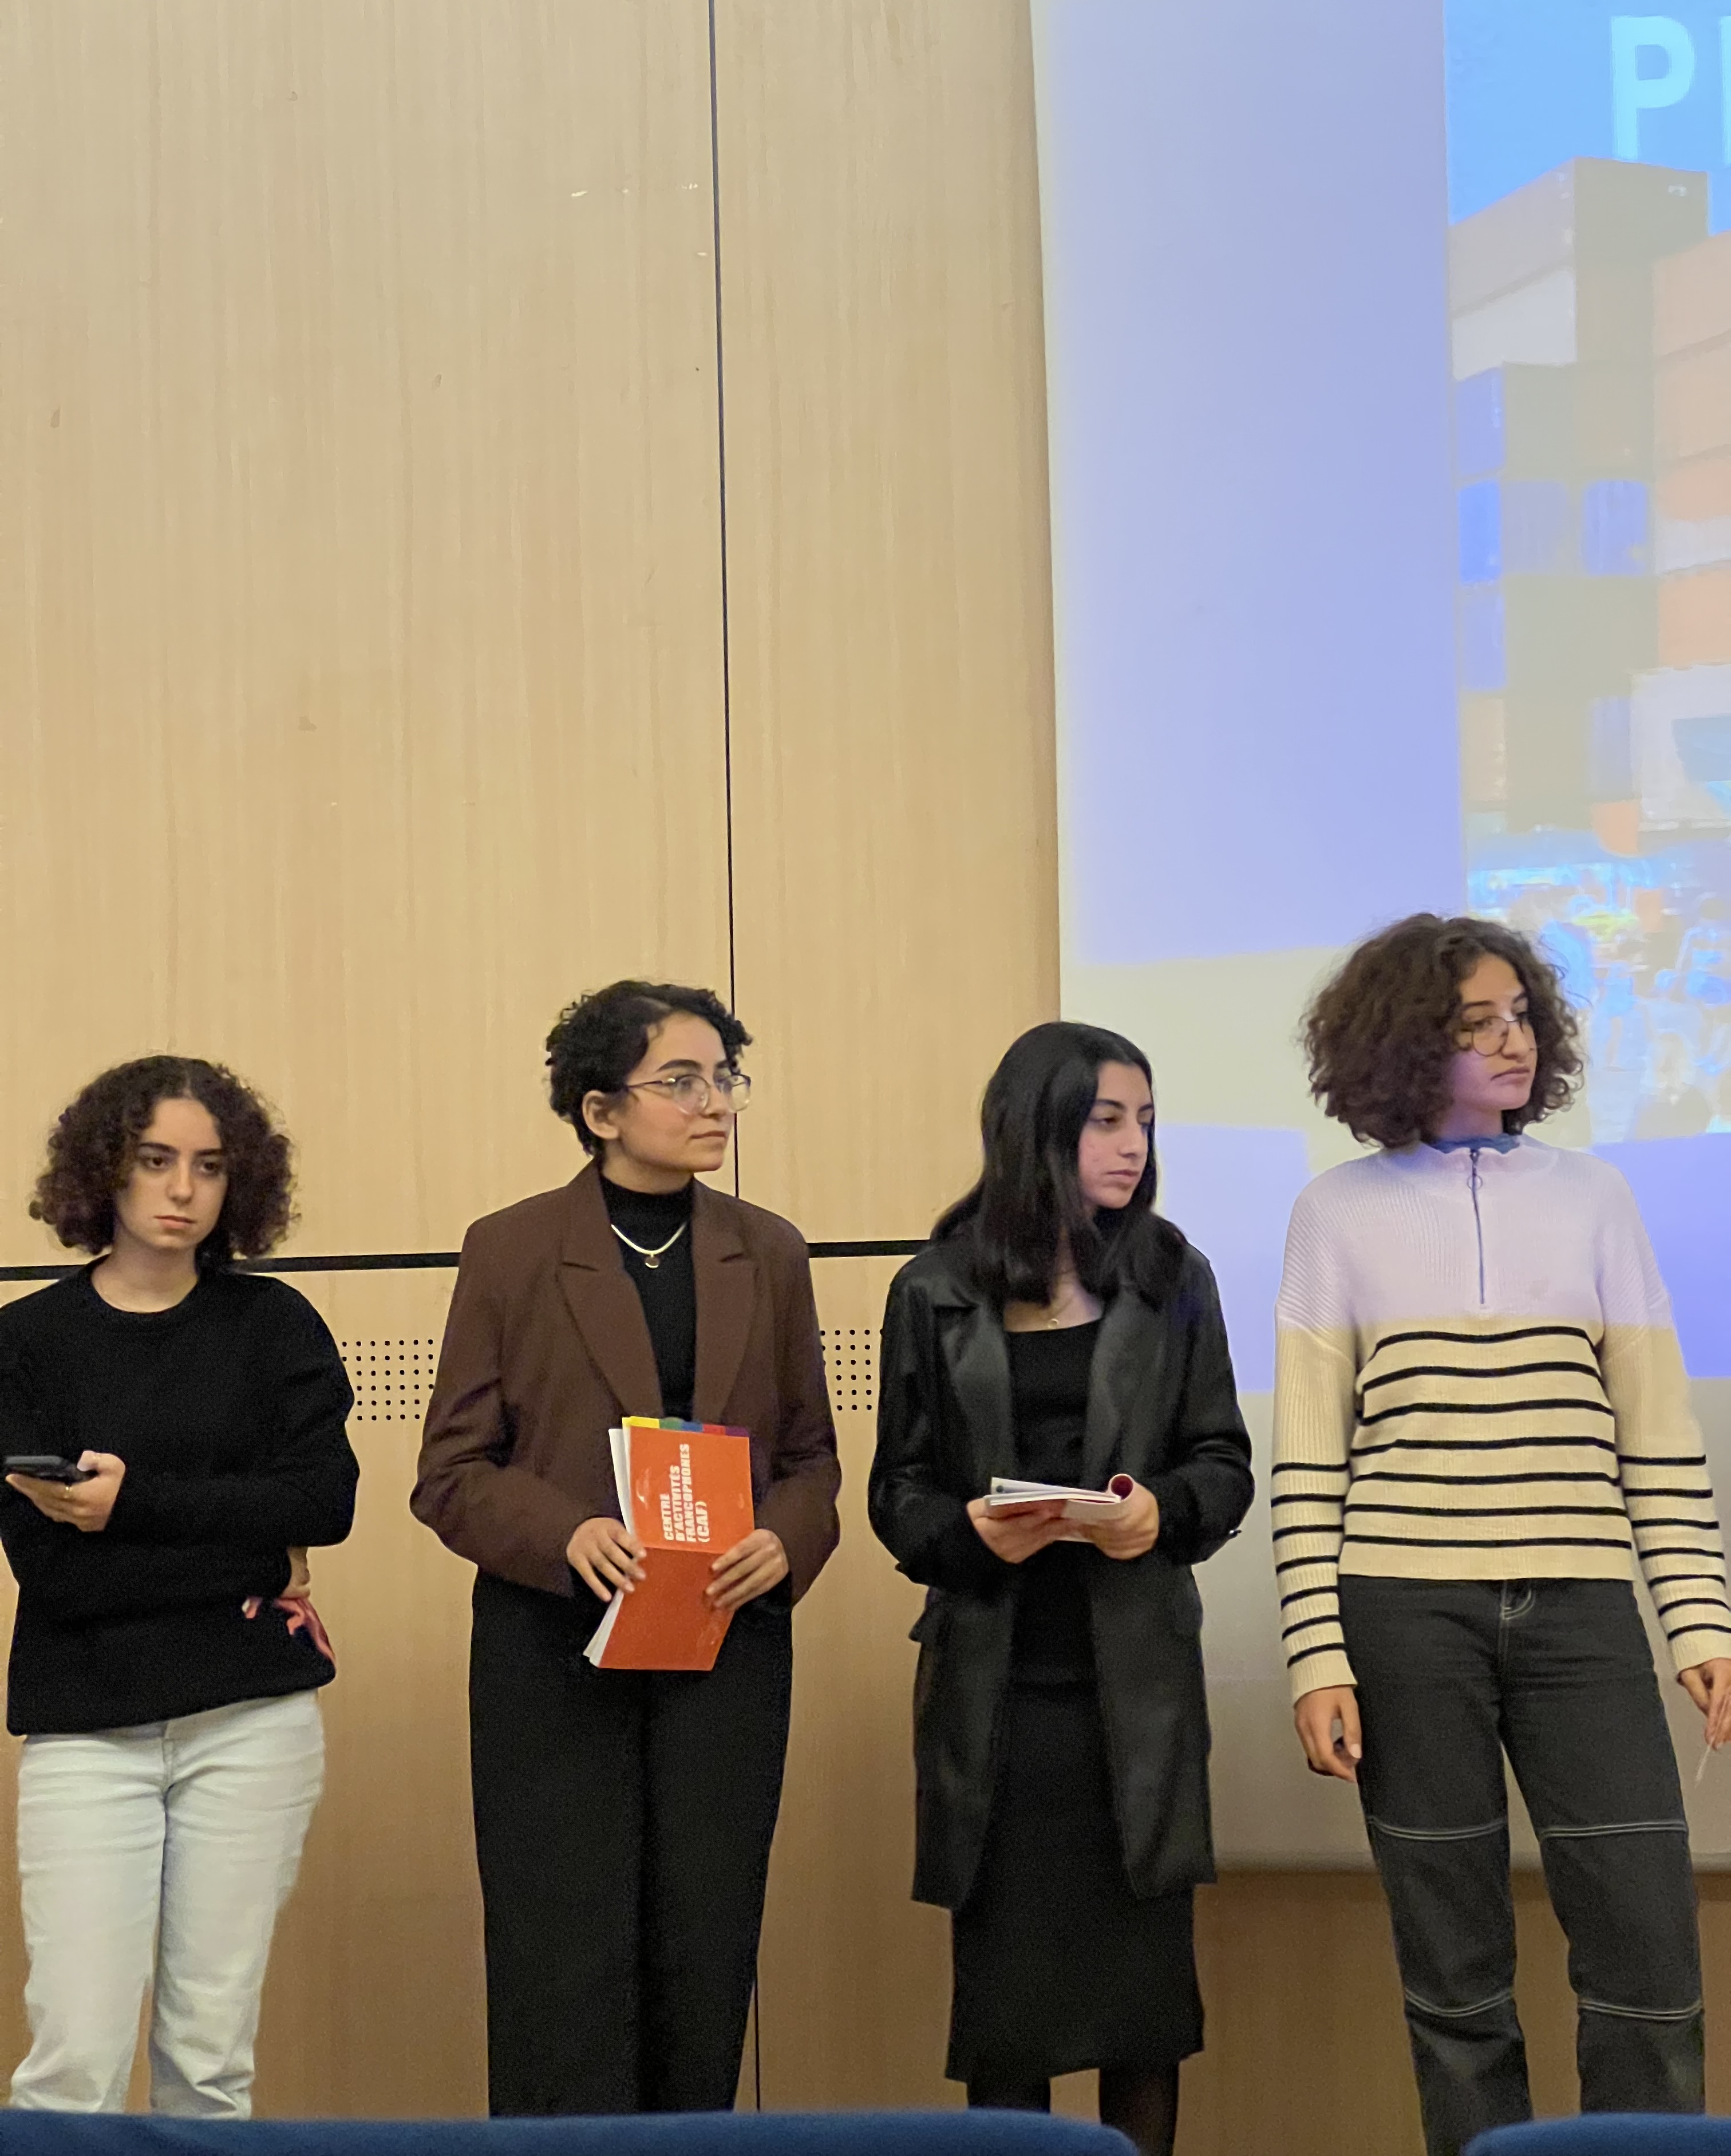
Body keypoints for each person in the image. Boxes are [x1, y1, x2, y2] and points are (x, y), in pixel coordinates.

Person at [1275, 913, 1731, 2156]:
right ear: (1404, 1045)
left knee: (1648, 1960)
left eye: (1521, 1016)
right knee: (1455, 1976)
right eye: (1478, 1025)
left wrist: (1701, 1622)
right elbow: (1310, 1463)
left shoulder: (1596, 1198)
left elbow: (1657, 1436)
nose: (1512, 1042)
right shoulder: (1334, 1214)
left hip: (1582, 1610)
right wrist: (1316, 1655)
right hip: (1403, 1616)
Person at [412, 979, 841, 2116]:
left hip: (723, 1642)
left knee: (704, 1950)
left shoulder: (771, 1251)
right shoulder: (511, 1250)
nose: (717, 1104)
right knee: (561, 1962)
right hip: (554, 1648)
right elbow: (450, 1472)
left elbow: (813, 1462)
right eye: (682, 1082)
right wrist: (568, 1533)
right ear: (601, 1110)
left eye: (726, 1079)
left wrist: (783, 1541)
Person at [869, 1021, 1253, 2156]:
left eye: (1146, 1122)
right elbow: (897, 1493)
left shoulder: (1173, 1276)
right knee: (1009, 2024)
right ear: (1036, 1127)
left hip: (1134, 1695)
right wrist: (974, 1535)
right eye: (1106, 1121)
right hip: (999, 1698)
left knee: (1144, 2021)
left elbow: (1223, 1464)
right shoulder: (934, 1287)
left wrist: (1159, 1514)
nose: (1134, 1145)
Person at [0, 1056, 359, 2116]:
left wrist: (132, 1507)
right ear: (103, 1169)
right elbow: (56, 1576)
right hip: (86, 1726)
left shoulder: (275, 1324)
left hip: (252, 1722)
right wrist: (261, 1558)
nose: (182, 1190)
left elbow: (325, 1502)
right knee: (74, 2057)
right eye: (155, 1160)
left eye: (208, 1166)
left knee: (210, 2061)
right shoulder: (25, 1342)